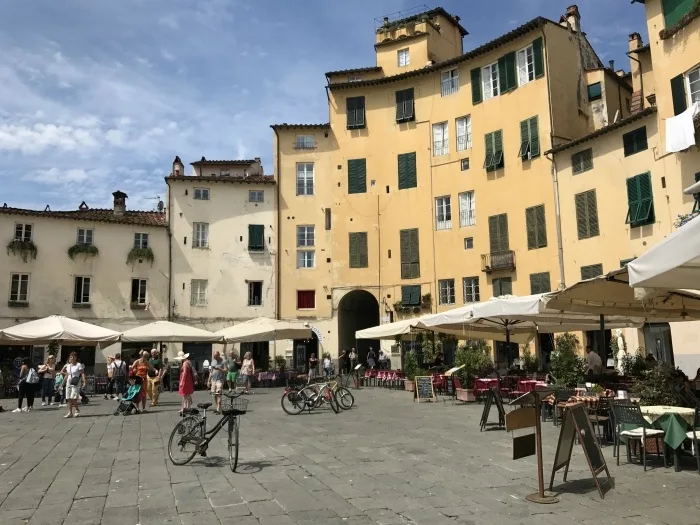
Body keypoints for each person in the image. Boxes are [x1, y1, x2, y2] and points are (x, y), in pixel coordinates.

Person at [61, 352, 85, 418]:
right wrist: (62, 384)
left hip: (76, 382)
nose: (72, 358)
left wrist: (84, 381)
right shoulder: (68, 366)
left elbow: (82, 373)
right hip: (69, 381)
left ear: (76, 358)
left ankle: (77, 410)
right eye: (71, 357)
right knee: (68, 398)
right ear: (69, 358)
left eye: (74, 357)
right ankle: (70, 412)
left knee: (73, 397)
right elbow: (66, 375)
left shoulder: (78, 365)